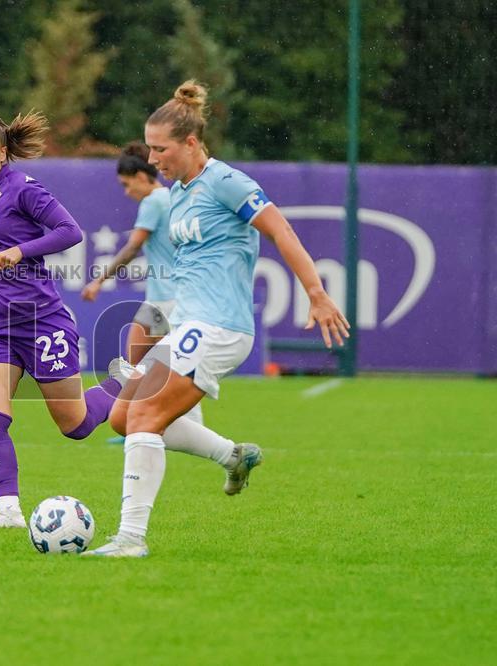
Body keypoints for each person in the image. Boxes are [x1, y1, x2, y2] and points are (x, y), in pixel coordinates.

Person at [85, 81, 350, 558]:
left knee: (144, 415)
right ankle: (234, 455)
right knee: (123, 418)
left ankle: (130, 539)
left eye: (159, 148)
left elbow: (280, 229)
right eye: (149, 147)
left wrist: (317, 293)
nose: (152, 157)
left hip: (221, 327)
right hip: (187, 324)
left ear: (190, 143)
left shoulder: (226, 182)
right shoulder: (178, 192)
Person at [0, 110, 126, 529]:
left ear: (3, 154)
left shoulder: (21, 187)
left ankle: (122, 381)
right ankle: (9, 511)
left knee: (74, 425)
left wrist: (22, 251)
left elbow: (70, 231)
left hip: (40, 319)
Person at [81, 141, 203, 428]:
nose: (127, 192)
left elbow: (133, 247)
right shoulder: (175, 197)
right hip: (182, 298)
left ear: (140, 176)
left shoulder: (153, 201)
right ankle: (147, 424)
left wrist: (99, 280)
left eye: (127, 184)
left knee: (133, 367)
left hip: (162, 302)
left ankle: (133, 424)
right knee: (171, 371)